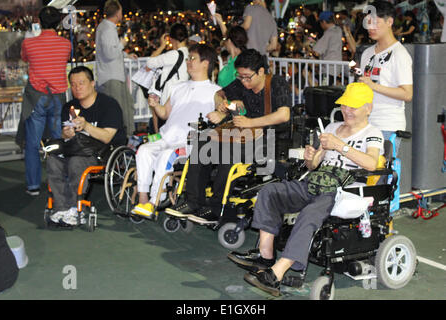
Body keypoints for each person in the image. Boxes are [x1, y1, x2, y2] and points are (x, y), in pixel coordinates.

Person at [228, 82, 384, 296]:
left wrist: (340, 146)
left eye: (353, 106)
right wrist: (312, 158)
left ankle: (277, 274)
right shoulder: (331, 128)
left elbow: (371, 163)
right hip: (315, 181)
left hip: (342, 190)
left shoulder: (372, 133)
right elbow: (313, 165)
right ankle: (265, 257)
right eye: (345, 105)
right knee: (269, 192)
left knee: (309, 214)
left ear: (368, 108)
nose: (347, 110)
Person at [165, 49, 291, 224]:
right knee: (203, 143)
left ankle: (216, 208)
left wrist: (250, 123)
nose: (244, 82)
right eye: (240, 77)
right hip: (243, 135)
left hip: (269, 139)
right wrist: (221, 106)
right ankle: (194, 202)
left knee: (228, 155)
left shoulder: (277, 83)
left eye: (248, 77)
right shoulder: (241, 84)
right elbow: (219, 94)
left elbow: (284, 115)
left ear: (261, 71)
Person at [131, 44, 221, 219]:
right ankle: (142, 199)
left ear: (205, 63)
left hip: (188, 143)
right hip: (167, 135)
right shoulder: (178, 87)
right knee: (143, 151)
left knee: (166, 155)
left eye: (192, 58)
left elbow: (222, 113)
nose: (188, 62)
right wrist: (156, 105)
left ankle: (154, 201)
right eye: (188, 58)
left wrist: (219, 112)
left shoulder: (215, 92)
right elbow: (165, 113)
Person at [46, 66, 126, 226]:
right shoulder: (71, 107)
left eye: (81, 83)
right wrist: (66, 134)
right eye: (73, 84)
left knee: (76, 162)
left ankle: (76, 208)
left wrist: (86, 125)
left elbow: (107, 137)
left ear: (92, 83)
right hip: (78, 148)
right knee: (53, 159)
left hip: (103, 152)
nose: (77, 88)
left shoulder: (108, 105)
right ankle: (62, 208)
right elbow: (66, 135)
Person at [16, 6, 71, 196]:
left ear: (38, 21)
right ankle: (58, 181)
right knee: (57, 141)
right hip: (58, 98)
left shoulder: (28, 44)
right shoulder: (66, 44)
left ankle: (33, 186)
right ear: (58, 23)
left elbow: (24, 59)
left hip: (36, 97)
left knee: (32, 143)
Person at [359, 0, 413, 155]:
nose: (370, 27)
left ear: (390, 22)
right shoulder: (367, 53)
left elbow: (407, 94)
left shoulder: (400, 54)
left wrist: (373, 86)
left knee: (382, 173)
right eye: (368, 22)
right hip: (365, 123)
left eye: (375, 22)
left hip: (388, 124)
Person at [95, 0, 138, 136]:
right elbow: (110, 53)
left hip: (113, 75)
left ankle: (126, 137)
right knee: (119, 110)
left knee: (125, 106)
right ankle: (122, 138)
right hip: (112, 77)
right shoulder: (107, 29)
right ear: (118, 13)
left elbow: (110, 50)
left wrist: (126, 55)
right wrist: (122, 44)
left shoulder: (105, 27)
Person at [145, 23, 189, 134]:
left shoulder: (173, 55)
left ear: (172, 39)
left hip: (168, 102)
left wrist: (162, 46)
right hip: (183, 100)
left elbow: (149, 63)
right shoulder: (190, 54)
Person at [307, 11, 343, 85]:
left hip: (328, 69)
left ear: (323, 22)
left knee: (324, 90)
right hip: (337, 68)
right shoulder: (339, 30)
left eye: (320, 23)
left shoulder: (329, 33)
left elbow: (317, 52)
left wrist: (309, 44)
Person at [213, 13, 248, 87]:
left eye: (225, 40)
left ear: (229, 41)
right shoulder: (234, 59)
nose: (224, 42)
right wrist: (220, 22)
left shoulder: (240, 62)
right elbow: (227, 35)